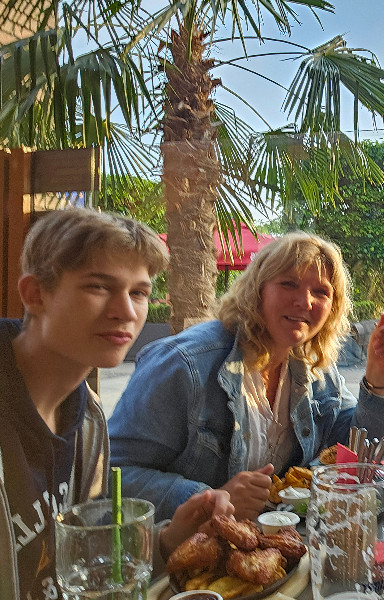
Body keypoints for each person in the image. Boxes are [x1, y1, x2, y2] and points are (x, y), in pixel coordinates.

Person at [0, 209, 233, 600]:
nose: (126, 312)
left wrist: (168, 539)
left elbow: (82, 562)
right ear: (35, 294)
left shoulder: (88, 418)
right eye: (98, 287)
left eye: (139, 292)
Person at [109, 231, 384, 522]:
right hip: (189, 555)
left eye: (321, 292)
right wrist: (208, 498)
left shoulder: (314, 366)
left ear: (332, 308)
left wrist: (378, 378)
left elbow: (350, 455)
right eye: (289, 284)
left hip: (275, 549)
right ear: (257, 290)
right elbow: (113, 476)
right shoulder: (184, 364)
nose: (305, 302)